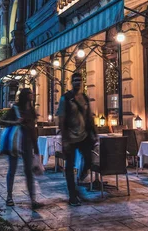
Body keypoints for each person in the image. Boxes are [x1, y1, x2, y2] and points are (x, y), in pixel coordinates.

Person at [0, 88, 43, 210]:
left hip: (27, 144)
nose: (32, 95)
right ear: (25, 96)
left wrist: (36, 148)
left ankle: (33, 199)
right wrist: (15, 122)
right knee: (12, 170)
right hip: (15, 142)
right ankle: (9, 197)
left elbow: (33, 130)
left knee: (29, 171)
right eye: (30, 93)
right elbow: (1, 120)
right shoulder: (15, 109)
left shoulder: (32, 110)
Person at [57, 72, 97, 206]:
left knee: (89, 160)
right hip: (70, 137)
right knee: (69, 166)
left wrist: (93, 132)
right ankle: (72, 196)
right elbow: (61, 120)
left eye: (79, 80)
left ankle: (80, 176)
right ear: (71, 82)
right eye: (75, 80)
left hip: (84, 136)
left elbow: (89, 116)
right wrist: (64, 139)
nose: (77, 82)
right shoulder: (66, 98)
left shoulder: (84, 98)